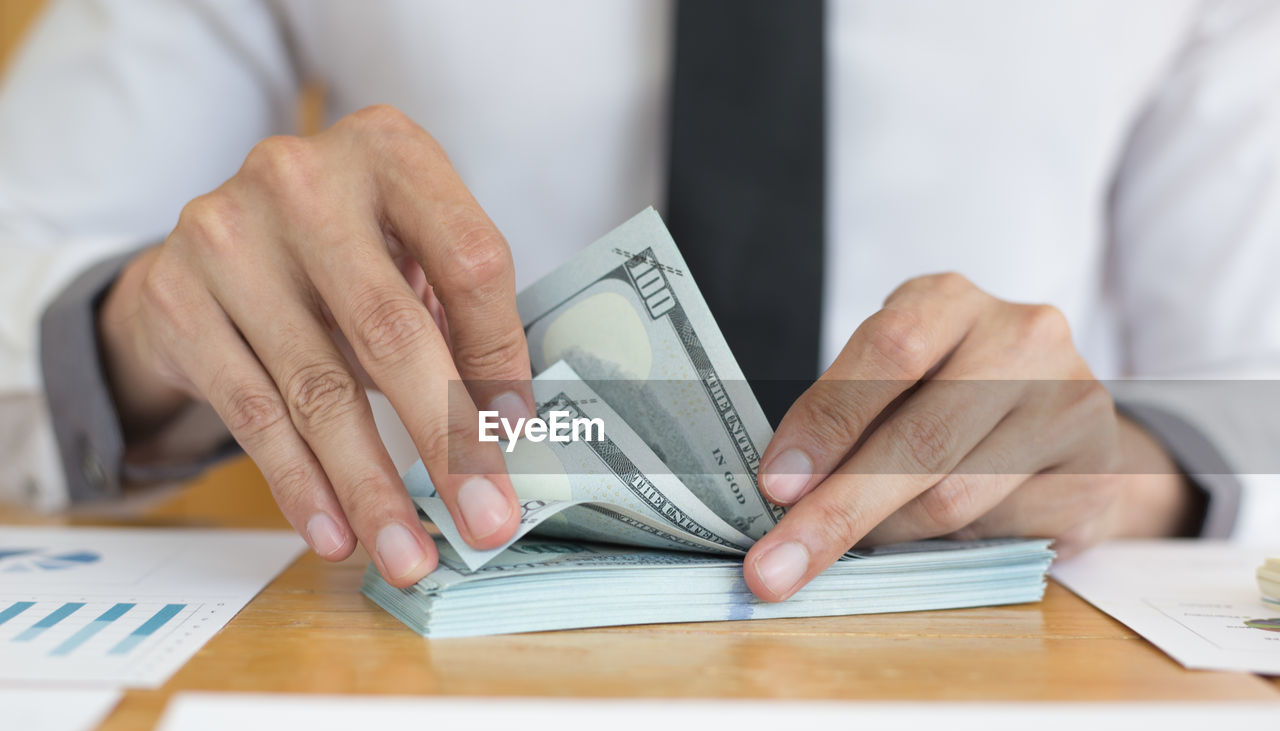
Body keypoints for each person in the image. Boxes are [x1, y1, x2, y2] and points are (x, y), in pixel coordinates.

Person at [2, 1, 1276, 602]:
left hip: (1006, 670)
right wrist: (143, 326)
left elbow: (1258, 398)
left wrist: (1121, 470)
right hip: (434, 672)